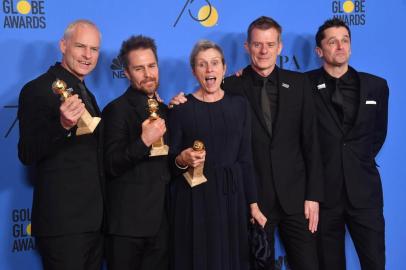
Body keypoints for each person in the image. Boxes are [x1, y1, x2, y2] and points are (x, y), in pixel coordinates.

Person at [170, 16, 323, 270]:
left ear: (280, 47)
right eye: (257, 45)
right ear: (246, 47)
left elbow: (312, 142)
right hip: (254, 199)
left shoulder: (299, 84)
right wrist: (176, 102)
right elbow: (205, 102)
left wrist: (313, 194)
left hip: (296, 200)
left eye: (270, 44)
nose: (264, 51)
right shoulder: (230, 85)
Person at [168, 40, 267, 270]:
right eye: (202, 65)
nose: (209, 69)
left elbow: (245, 158)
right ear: (194, 71)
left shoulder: (240, 106)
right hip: (194, 200)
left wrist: (252, 204)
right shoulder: (180, 109)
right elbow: (170, 161)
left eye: (214, 63)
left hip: (231, 197)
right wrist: (182, 159)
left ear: (224, 67)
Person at [17, 19, 104, 270]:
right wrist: (62, 126)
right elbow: (26, 152)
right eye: (80, 46)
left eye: (94, 49)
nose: (88, 55)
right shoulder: (37, 90)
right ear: (63, 45)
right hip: (62, 225)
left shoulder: (84, 90)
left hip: (93, 221)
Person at [306, 18, 388, 270]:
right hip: (324, 196)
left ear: (350, 47)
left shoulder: (376, 86)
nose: (340, 46)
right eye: (332, 41)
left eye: (345, 40)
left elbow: (378, 135)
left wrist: (356, 161)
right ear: (320, 51)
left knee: (374, 262)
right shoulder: (303, 86)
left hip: (365, 194)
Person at [102, 35, 170, 270]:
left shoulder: (165, 110)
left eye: (151, 66)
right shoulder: (115, 111)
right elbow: (111, 164)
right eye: (139, 68)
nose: (147, 74)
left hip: (161, 226)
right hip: (126, 229)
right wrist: (143, 141)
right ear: (127, 73)